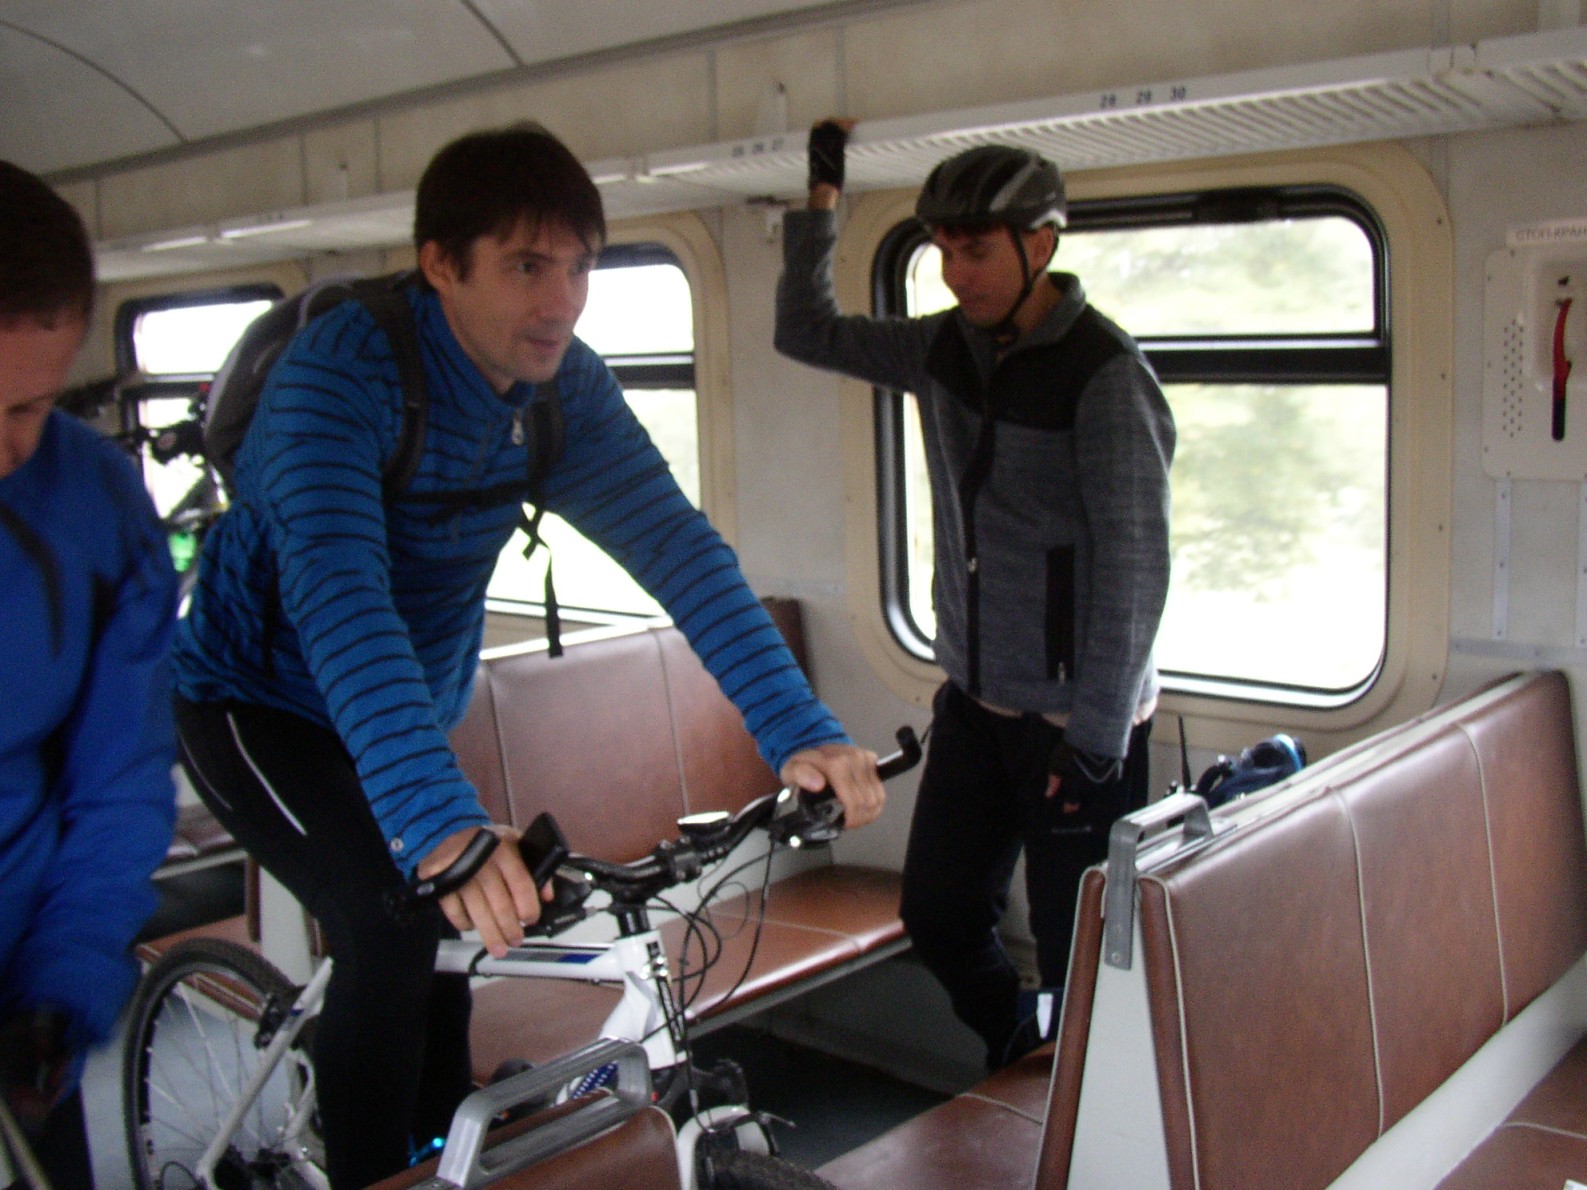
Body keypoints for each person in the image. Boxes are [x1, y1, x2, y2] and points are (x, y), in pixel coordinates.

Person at [170, 122, 886, 1189]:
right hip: (257, 702)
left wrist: (801, 730)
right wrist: (438, 823)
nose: (562, 301)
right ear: (440, 264)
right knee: (386, 924)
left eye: (580, 266)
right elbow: (341, 597)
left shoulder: (563, 392)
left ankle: (434, 1154)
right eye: (525, 266)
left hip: (405, 702)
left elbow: (680, 552)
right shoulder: (337, 379)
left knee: (450, 940)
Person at [775, 122, 1174, 1069]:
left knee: (1083, 960)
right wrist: (822, 200)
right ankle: (1017, 1047)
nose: (956, 274)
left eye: (977, 251)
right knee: (939, 914)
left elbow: (1134, 568)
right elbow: (804, 332)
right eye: (943, 252)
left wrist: (1094, 742)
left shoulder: (1104, 375)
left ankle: (1067, 1109)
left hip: (1078, 722)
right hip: (974, 706)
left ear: (1041, 244)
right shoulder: (941, 349)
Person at [0, 160, 179, 1188]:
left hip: (27, 972)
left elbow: (117, 776)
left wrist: (60, 988)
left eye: (29, 408)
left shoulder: (98, 507)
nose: (5, 449)